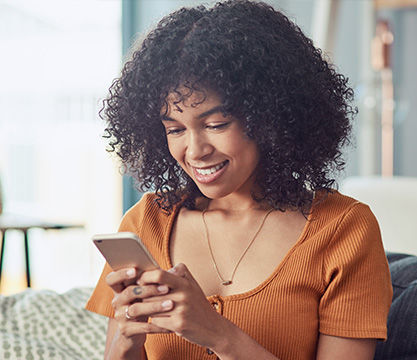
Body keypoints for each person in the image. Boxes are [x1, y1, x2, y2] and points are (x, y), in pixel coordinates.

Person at [86, 1, 392, 359]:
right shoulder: (146, 222)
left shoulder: (342, 230)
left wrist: (218, 334)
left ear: (270, 116)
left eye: (216, 125)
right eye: (175, 129)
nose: (195, 150)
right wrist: (124, 342)